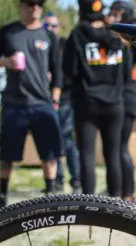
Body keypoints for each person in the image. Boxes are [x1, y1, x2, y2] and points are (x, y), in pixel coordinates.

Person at [0, 0, 63, 208]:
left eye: (38, 4)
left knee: (50, 152)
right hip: (14, 103)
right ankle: (2, 194)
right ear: (20, 6)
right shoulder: (8, 32)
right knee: (8, 153)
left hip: (42, 103)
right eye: (30, 4)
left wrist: (55, 99)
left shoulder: (49, 36)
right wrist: (7, 62)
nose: (34, 8)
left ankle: (50, 192)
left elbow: (57, 72)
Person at [63, 0, 130, 197]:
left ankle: (89, 203)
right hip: (115, 103)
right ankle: (116, 202)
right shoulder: (117, 35)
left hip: (87, 103)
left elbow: (69, 70)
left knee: (87, 155)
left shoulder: (77, 35)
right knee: (113, 155)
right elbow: (127, 72)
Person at [106, 1, 136, 202]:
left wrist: (125, 42)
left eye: (116, 12)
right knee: (119, 147)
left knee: (120, 146)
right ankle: (124, 192)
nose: (112, 15)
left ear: (126, 14)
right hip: (124, 98)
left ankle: (128, 193)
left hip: (128, 99)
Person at [43, 11, 81, 194]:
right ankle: (57, 181)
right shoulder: (40, 46)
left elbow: (74, 72)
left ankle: (76, 180)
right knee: (52, 143)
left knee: (67, 142)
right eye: (46, 26)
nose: (50, 29)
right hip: (44, 101)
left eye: (53, 25)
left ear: (58, 27)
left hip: (65, 100)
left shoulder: (65, 45)